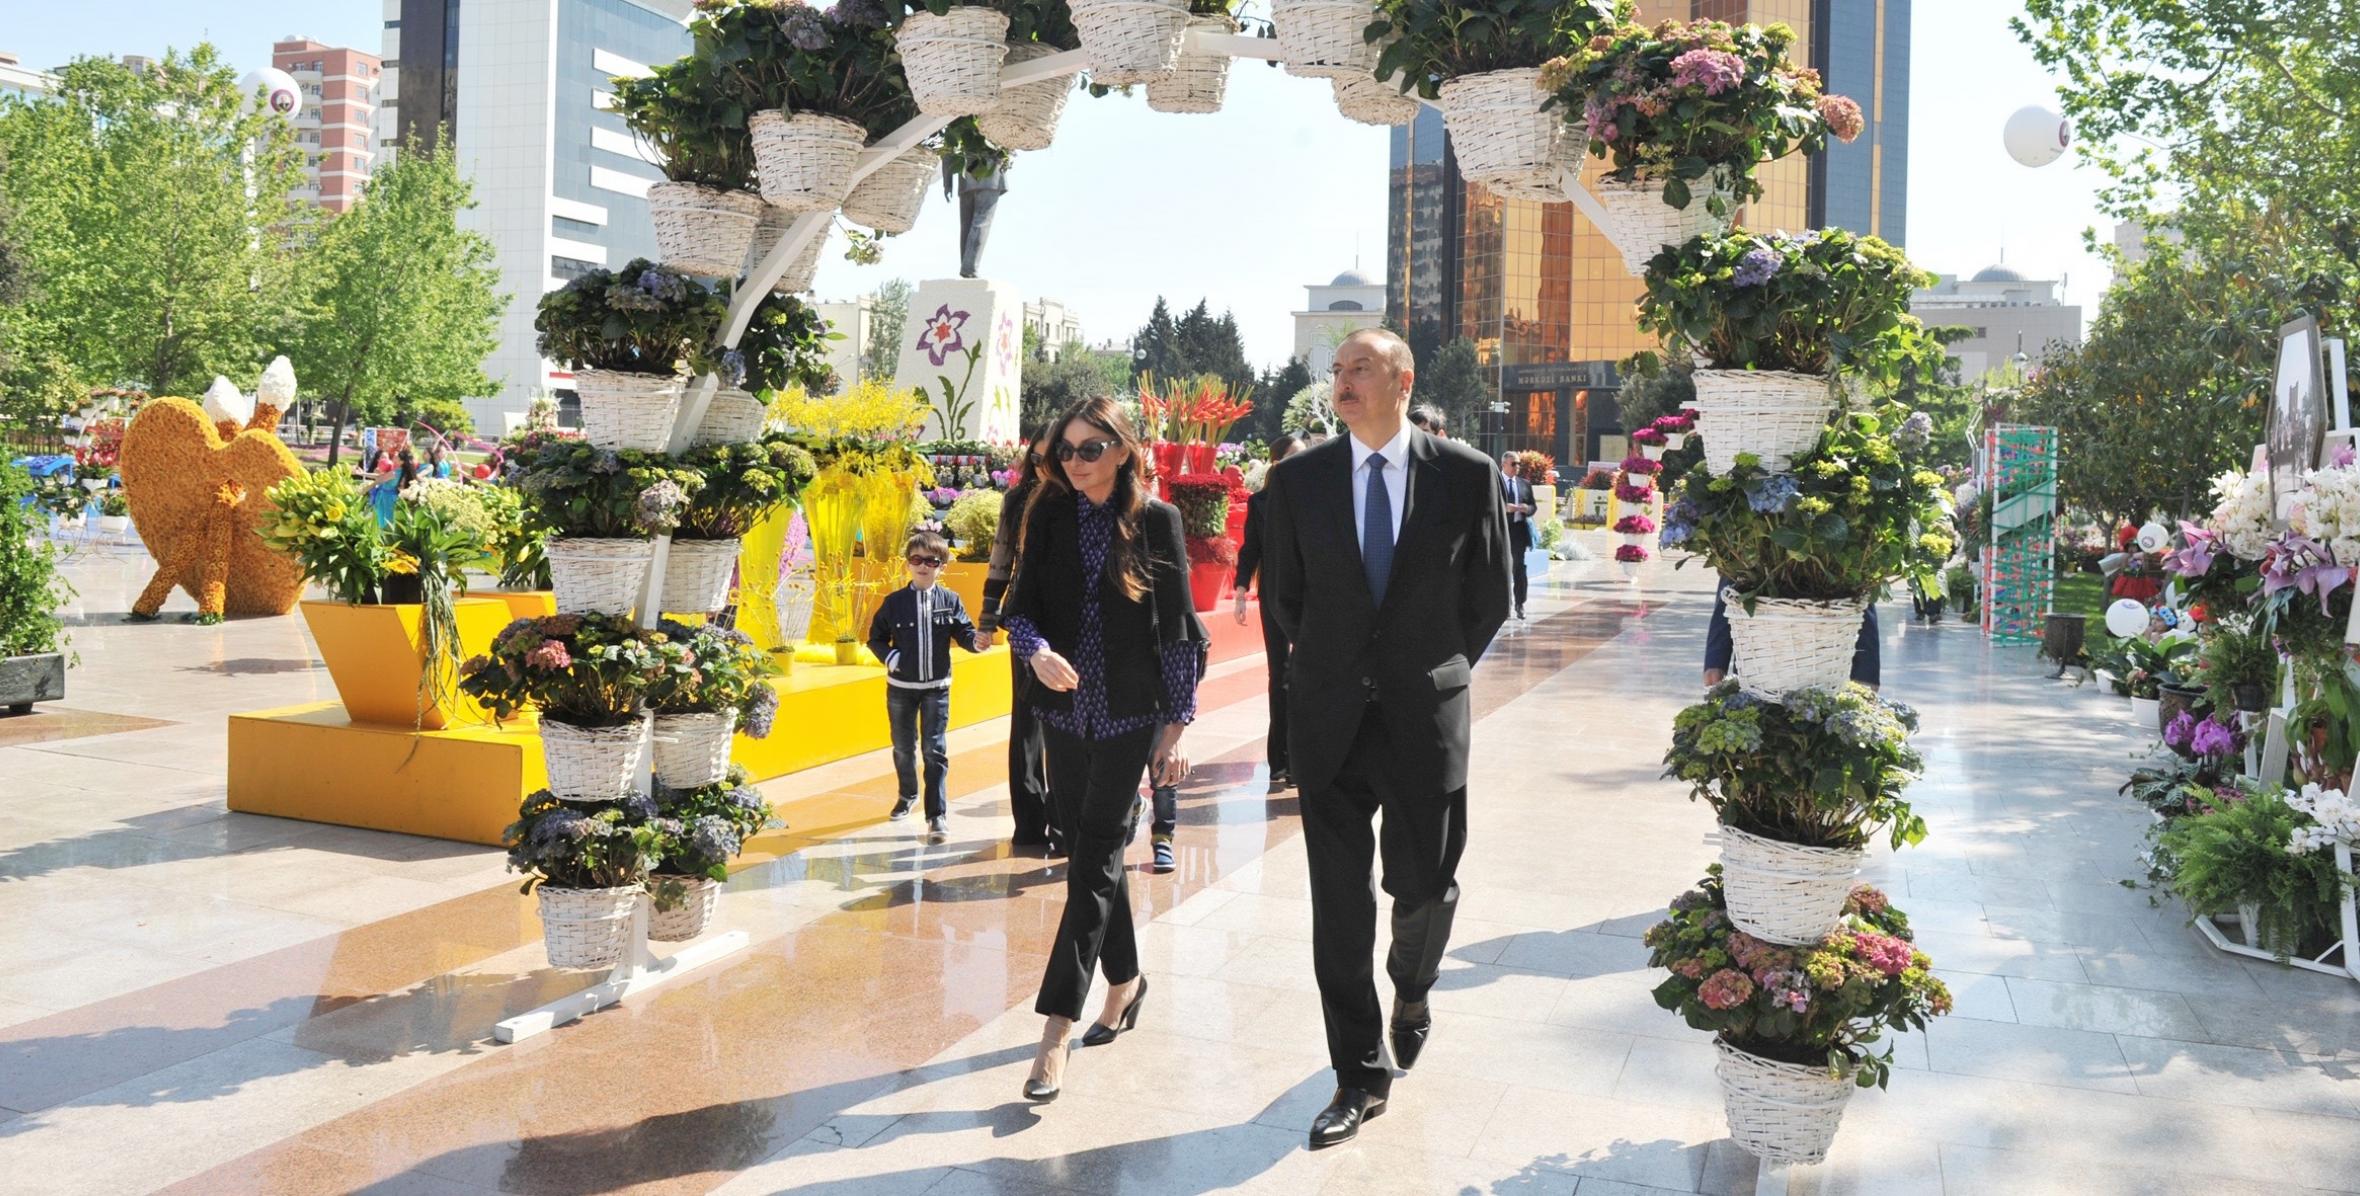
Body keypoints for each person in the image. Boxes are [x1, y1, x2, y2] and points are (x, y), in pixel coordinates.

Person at [1261, 328, 1512, 1149]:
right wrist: (1339, 669)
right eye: (1337, 370)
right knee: (1339, 911)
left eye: (1360, 367)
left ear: (1403, 381)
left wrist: (1430, 671)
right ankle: (1358, 1075)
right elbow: (1287, 599)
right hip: (1329, 722)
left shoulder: (1467, 475)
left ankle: (1413, 985)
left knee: (1425, 884)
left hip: (1422, 717)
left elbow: (1489, 597)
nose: (1343, 380)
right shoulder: (1297, 480)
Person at [1001, 396, 1207, 1103]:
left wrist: (1177, 727)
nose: (1075, 461)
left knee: (1090, 859)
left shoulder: (1157, 521)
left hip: (1127, 718)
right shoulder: (1049, 515)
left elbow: (1179, 628)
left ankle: (1056, 1028)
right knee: (1094, 853)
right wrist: (1037, 652)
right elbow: (1018, 609)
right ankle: (1126, 982)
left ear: (1123, 450)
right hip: (1063, 716)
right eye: (1066, 449)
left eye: (1092, 448)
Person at [868, 530, 989, 839]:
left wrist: (975, 642)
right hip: (900, 689)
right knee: (903, 748)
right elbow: (876, 638)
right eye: (916, 559)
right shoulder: (894, 603)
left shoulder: (950, 601)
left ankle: (937, 815)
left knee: (934, 749)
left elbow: (963, 632)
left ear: (942, 566)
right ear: (908, 564)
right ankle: (907, 794)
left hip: (937, 688)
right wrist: (890, 656)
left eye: (931, 561)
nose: (923, 566)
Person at [982, 434, 1061, 855]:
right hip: (1026, 618)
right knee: (1027, 720)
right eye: (1041, 456)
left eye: (1058, 455)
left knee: (1065, 719)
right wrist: (987, 618)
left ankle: (1063, 819)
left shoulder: (1078, 496)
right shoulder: (1017, 500)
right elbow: (1001, 557)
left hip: (1068, 622)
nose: (1049, 463)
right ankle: (1029, 823)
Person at [1232, 434, 1305, 789]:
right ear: (1276, 462)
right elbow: (1251, 548)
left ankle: (1305, 758)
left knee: (1307, 676)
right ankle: (1281, 760)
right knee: (1282, 675)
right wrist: (1241, 587)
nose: (1300, 463)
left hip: (1312, 597)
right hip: (1275, 596)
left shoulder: (1315, 499)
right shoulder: (1260, 503)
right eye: (1293, 456)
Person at [1703, 594, 1881, 689]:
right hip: (1758, 662)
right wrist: (1716, 660)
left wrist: (1865, 674)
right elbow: (1730, 590)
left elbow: (1863, 600)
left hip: (1824, 662)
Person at [1499, 453, 1536, 621]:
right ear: (1504, 464)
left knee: (1519, 568)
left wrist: (1527, 508)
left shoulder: (1524, 484)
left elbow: (1533, 506)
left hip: (1518, 532)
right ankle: (1503, 605)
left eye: (1519, 464)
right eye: (1513, 464)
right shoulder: (1495, 481)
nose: (1517, 467)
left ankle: (1520, 604)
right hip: (1500, 531)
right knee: (1501, 569)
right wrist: (1504, 508)